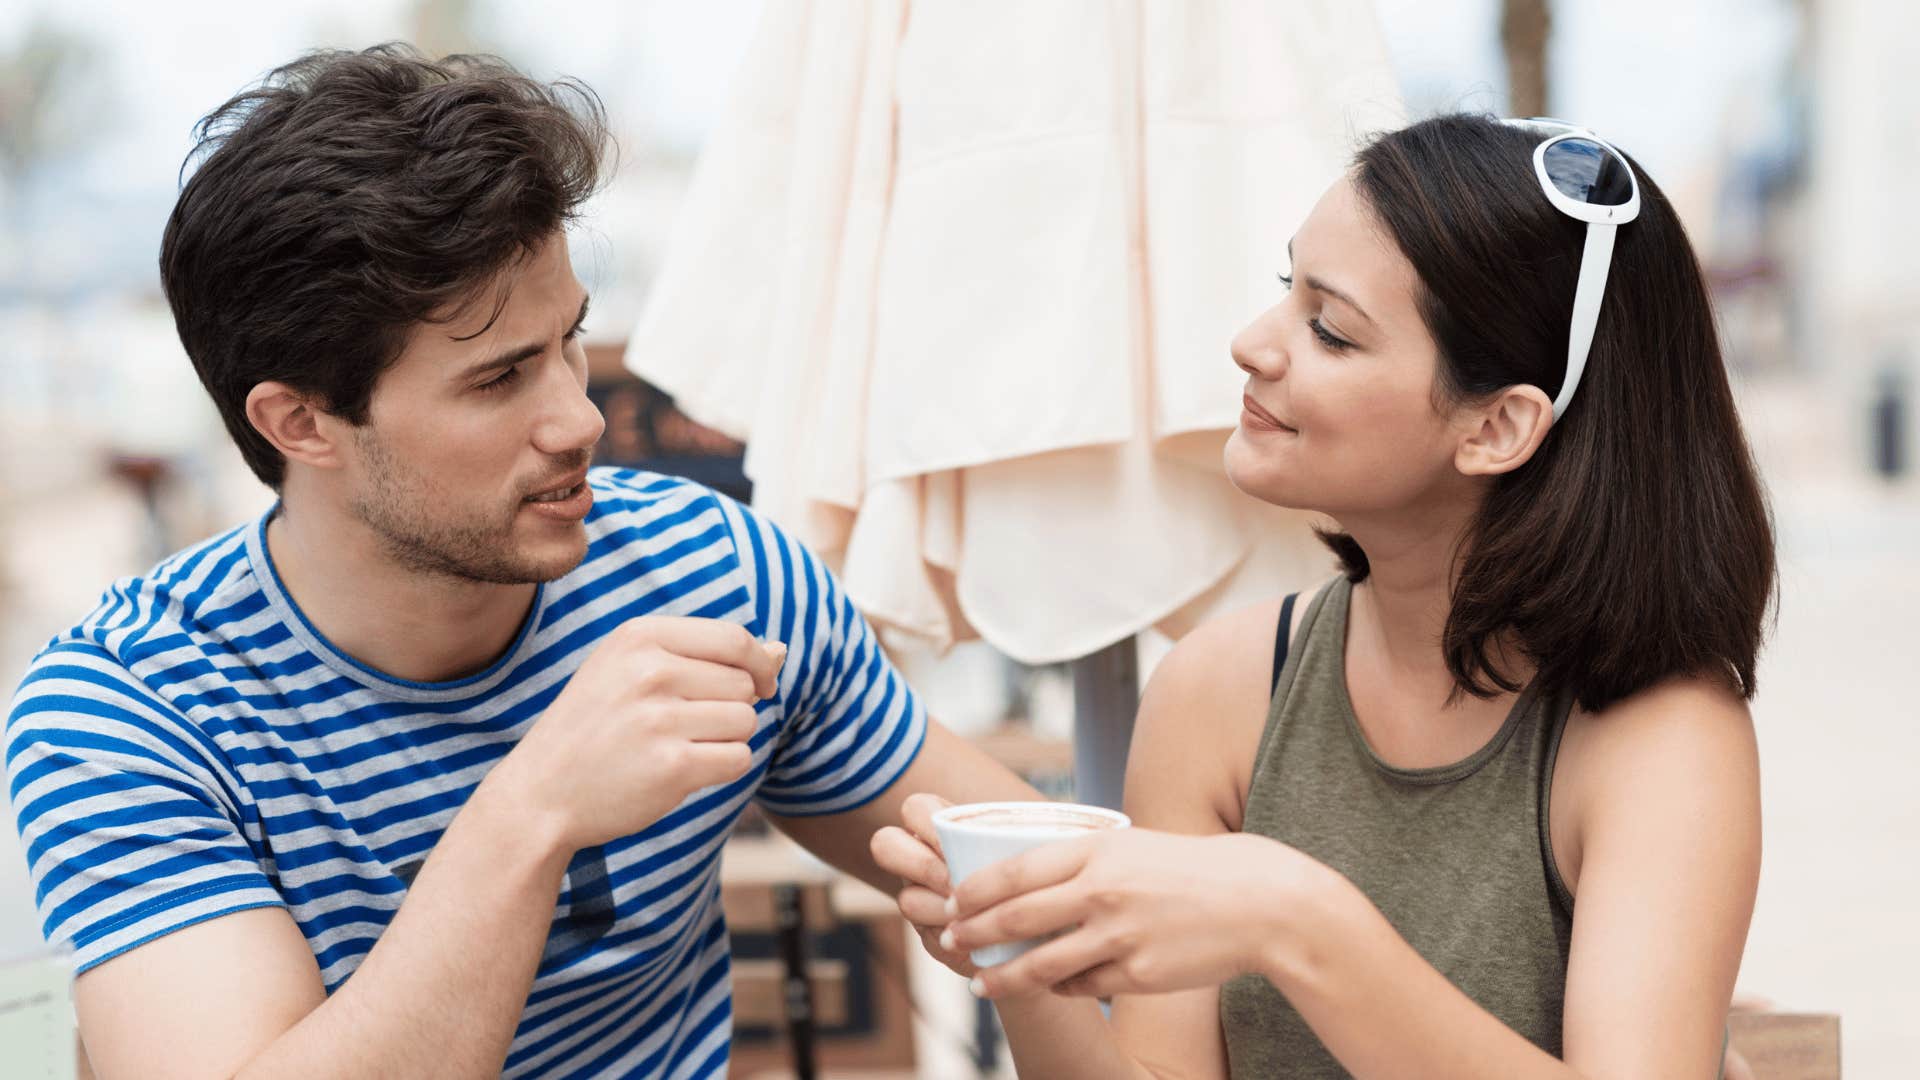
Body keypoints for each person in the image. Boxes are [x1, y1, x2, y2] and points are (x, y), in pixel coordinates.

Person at [2, 45, 1034, 1079]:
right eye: (500, 379)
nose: (580, 418)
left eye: (570, 341)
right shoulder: (129, 714)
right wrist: (533, 810)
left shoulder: (712, 575)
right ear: (300, 421)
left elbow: (1036, 864)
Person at [874, 113, 1775, 1078]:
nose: (1253, 346)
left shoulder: (1662, 736)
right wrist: (1021, 954)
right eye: (1284, 288)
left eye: (1331, 330)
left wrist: (1294, 919)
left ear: (1498, 426)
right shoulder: (1217, 693)